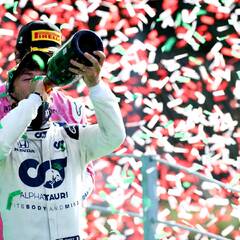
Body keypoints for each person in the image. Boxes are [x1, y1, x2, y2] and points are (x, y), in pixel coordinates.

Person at [0, 23, 126, 239]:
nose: (44, 69)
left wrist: (60, 197)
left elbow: (87, 172)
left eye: (51, 57)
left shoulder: (72, 107)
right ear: (18, 56)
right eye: (36, 58)